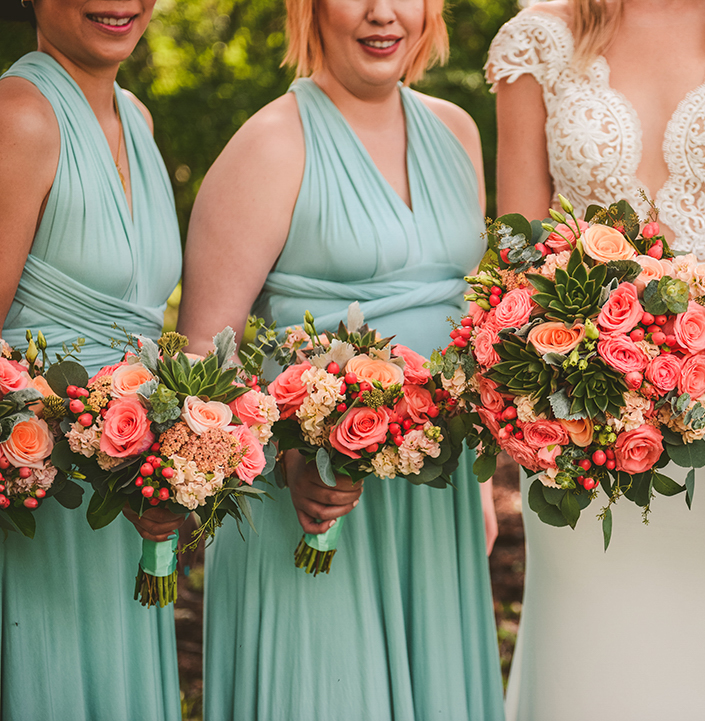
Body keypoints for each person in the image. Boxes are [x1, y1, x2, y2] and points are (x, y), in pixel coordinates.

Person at [486, 0, 705, 718]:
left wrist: (686, 329)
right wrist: (592, 353)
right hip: (586, 410)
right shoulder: (536, 38)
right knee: (596, 651)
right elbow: (516, 255)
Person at [176, 0, 504, 718]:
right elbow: (203, 368)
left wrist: (476, 475)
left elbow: (461, 318)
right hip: (313, 503)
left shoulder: (459, 131)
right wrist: (292, 461)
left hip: (433, 501)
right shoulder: (271, 144)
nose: (383, 14)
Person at [0, 0, 184, 718]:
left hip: (127, 497)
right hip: (44, 501)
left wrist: (184, 455)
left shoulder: (134, 117)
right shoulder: (22, 115)